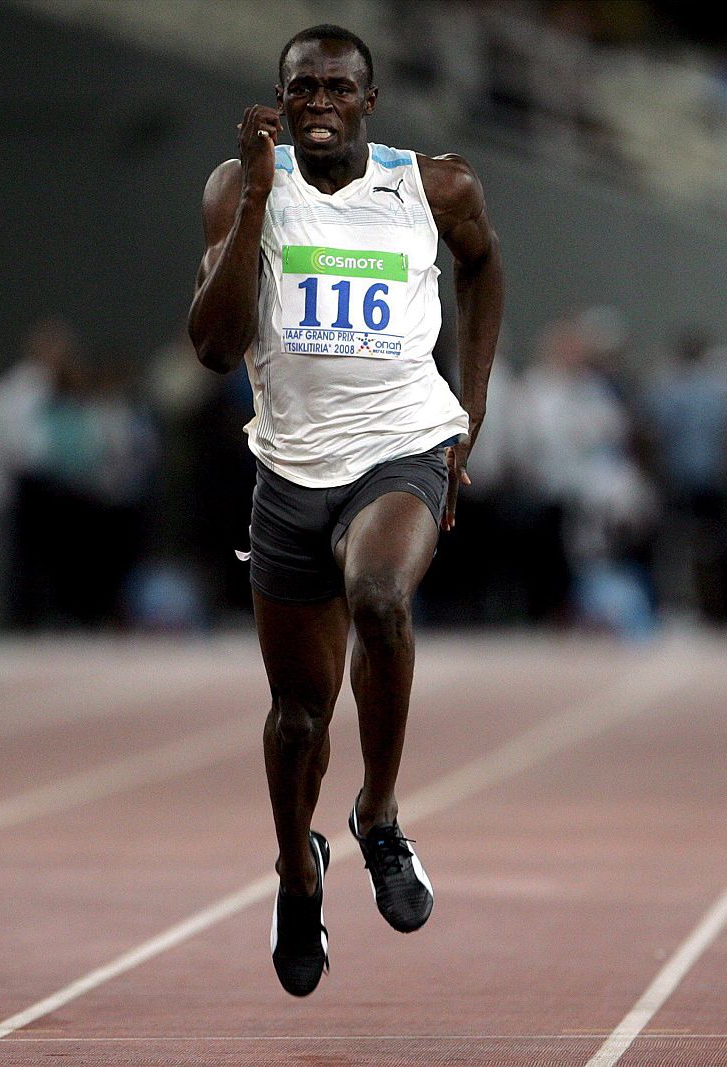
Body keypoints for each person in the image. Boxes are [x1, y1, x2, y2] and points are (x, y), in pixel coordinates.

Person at [188, 24, 502, 996]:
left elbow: (483, 266)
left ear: (368, 100)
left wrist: (470, 405)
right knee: (294, 718)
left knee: (379, 597)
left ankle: (377, 811)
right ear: (279, 102)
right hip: (288, 470)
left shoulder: (434, 185)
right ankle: (296, 869)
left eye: (336, 88)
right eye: (301, 90)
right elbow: (213, 343)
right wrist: (251, 203)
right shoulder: (238, 185)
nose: (318, 103)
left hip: (403, 447)